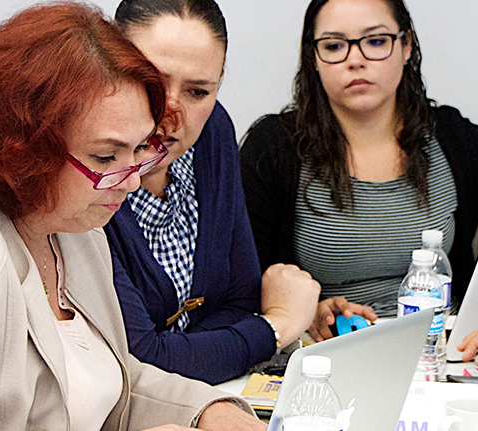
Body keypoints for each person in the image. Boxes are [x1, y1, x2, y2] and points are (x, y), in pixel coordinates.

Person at [0, 3, 266, 430]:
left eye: (139, 150)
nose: (131, 182)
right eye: (107, 155)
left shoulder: (77, 220)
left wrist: (209, 410)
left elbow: (111, 377)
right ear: (28, 143)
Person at [240, 0, 478, 342]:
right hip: (326, 356)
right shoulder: (274, 148)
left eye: (376, 41)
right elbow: (239, 278)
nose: (355, 60)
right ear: (313, 58)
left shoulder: (450, 136)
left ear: (406, 46)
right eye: (334, 46)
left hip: (441, 354)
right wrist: (306, 312)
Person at [105, 0, 320, 385]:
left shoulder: (213, 130)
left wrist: (195, 353)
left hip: (205, 396)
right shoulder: (92, 174)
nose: (171, 112)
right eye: (151, 81)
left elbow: (239, 302)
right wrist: (278, 325)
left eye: (198, 92)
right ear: (108, 65)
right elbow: (138, 359)